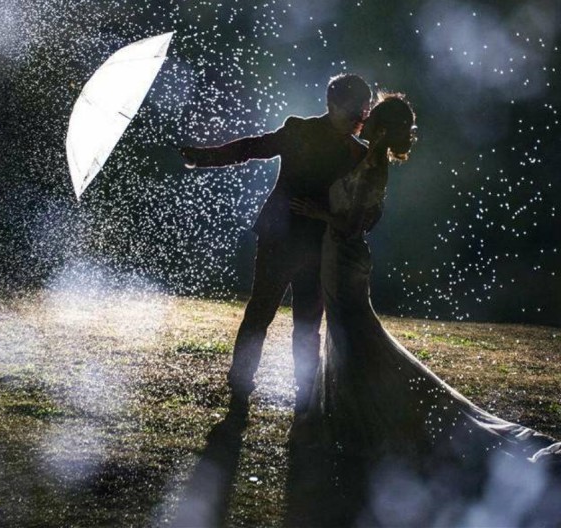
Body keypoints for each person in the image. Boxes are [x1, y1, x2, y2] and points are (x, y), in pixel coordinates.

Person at [289, 93, 561, 525]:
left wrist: (317, 213)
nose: (364, 125)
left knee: (355, 334)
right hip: (336, 255)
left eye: (370, 120)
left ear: (379, 127)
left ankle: (366, 415)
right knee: (351, 334)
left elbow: (354, 222)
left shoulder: (374, 167)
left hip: (343, 255)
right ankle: (351, 412)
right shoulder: (365, 160)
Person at [180, 73, 372, 416]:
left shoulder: (360, 154)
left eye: (363, 111)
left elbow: (364, 209)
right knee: (260, 311)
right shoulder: (299, 130)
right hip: (279, 238)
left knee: (309, 322)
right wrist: (203, 157)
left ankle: (304, 389)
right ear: (331, 106)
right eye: (353, 112)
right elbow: (252, 147)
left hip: (319, 246)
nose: (360, 119)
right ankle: (241, 383)